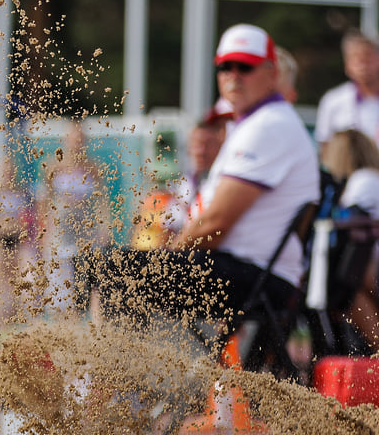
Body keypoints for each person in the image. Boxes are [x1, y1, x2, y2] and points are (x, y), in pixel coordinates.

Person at [84, 24, 320, 340]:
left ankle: (118, 378)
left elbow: (215, 225)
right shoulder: (260, 122)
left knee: (107, 266)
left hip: (251, 276)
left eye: (245, 67)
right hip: (249, 271)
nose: (233, 75)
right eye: (225, 67)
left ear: (271, 73)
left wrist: (171, 255)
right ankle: (126, 373)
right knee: (111, 265)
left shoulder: (268, 126)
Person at [319, 128, 379, 349]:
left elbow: (351, 228)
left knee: (349, 285)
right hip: (369, 270)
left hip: (368, 271)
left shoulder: (362, 181)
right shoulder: (371, 178)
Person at [40, 122, 108, 314]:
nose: (77, 143)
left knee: (85, 282)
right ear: (66, 140)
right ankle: (61, 327)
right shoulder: (55, 166)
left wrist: (104, 228)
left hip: (84, 231)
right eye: (73, 138)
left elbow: (101, 201)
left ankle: (82, 327)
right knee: (59, 286)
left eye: (80, 139)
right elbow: (45, 201)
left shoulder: (92, 168)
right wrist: (44, 230)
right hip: (60, 230)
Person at [315, 30, 379, 145]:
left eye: (368, 56)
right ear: (347, 64)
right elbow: (324, 147)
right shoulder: (333, 101)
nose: (362, 63)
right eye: (356, 57)